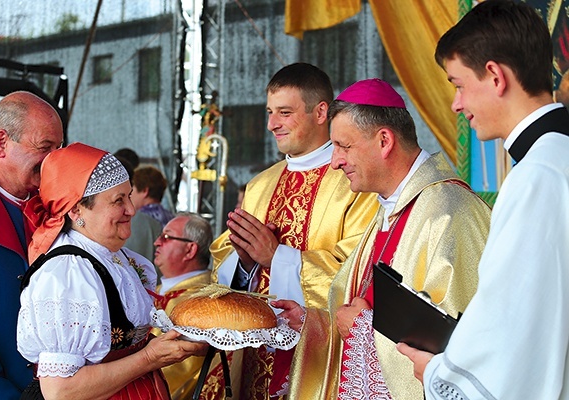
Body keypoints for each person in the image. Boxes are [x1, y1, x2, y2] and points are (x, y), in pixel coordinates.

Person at [274, 78, 491, 399]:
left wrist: (364, 328)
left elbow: (461, 342)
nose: (335, 162)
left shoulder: (449, 212)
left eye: (343, 147)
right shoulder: (389, 208)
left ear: (384, 140)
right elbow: (358, 308)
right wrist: (313, 323)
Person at [397, 1, 569, 398]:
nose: (457, 104)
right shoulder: (555, 157)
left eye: (458, 85)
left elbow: (517, 323)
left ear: (495, 76)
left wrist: (440, 372)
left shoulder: (537, 176)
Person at [207, 63, 380, 399]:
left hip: (319, 357)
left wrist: (276, 257)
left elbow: (359, 269)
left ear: (320, 112)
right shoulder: (259, 185)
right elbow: (223, 263)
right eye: (270, 112)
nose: (272, 124)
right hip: (254, 356)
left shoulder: (355, 181)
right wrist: (244, 263)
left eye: (284, 113)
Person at [17, 143, 207, 399]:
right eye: (118, 200)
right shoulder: (66, 274)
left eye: (129, 195)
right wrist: (149, 358)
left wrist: (182, 342)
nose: (131, 209)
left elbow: (121, 345)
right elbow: (60, 391)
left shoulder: (111, 256)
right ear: (76, 210)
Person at [0, 91, 64, 397]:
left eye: (58, 149)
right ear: (1, 144)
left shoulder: (55, 210)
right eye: (44, 148)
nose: (53, 161)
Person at [150, 211, 213, 399]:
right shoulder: (156, 289)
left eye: (167, 237)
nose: (157, 242)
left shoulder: (204, 301)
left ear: (190, 250)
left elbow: (181, 368)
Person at [118, 157, 163, 266]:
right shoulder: (173, 219)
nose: (130, 197)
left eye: (131, 192)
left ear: (145, 191)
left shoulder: (136, 220)